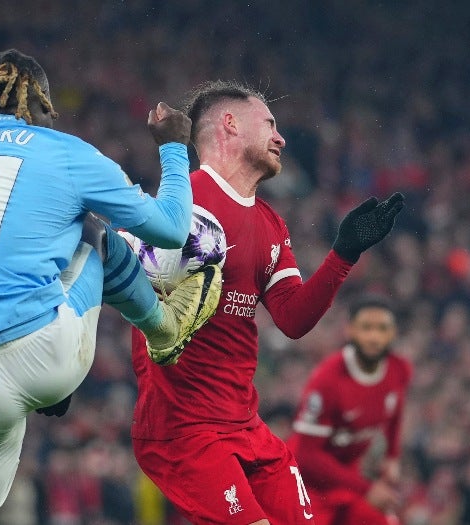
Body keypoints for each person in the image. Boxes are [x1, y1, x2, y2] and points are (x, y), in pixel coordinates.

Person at [0, 37, 222, 525]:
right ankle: (163, 328)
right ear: (44, 105)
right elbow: (173, 230)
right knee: (92, 232)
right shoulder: (67, 153)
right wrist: (174, 148)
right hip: (44, 354)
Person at [130, 80, 405, 524]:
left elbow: (292, 318)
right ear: (231, 124)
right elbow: (130, 278)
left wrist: (344, 253)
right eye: (270, 124)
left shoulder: (270, 222)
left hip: (245, 425)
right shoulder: (185, 200)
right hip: (185, 428)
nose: (281, 138)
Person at [286, 297, 412, 525]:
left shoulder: (399, 369)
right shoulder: (328, 380)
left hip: (347, 478)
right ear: (350, 330)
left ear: (393, 333)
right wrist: (367, 489)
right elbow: (307, 456)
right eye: (366, 328)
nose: (374, 337)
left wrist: (392, 456)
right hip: (306, 483)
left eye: (382, 329)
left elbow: (395, 411)